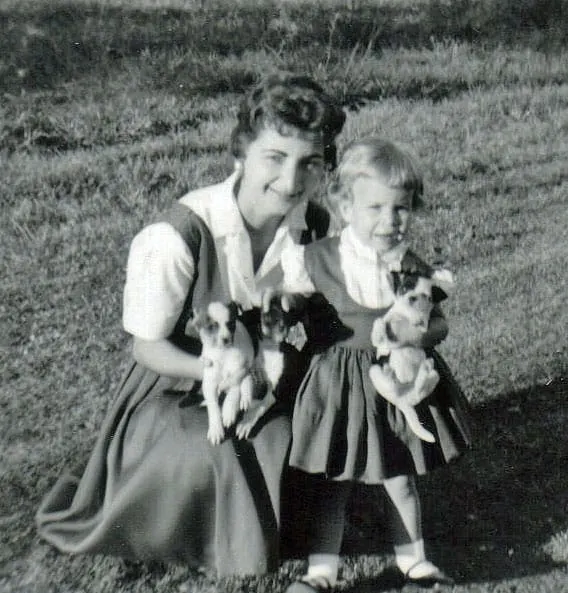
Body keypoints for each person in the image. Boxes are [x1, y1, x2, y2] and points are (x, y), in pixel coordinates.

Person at [36, 72, 346, 577]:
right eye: (275, 158)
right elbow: (147, 348)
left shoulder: (312, 225)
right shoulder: (177, 235)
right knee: (217, 447)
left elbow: (313, 311)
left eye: (310, 162)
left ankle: (276, 523)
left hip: (261, 372)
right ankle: (208, 539)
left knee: (308, 423)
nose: (291, 181)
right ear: (240, 154)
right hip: (178, 379)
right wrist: (221, 370)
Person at [280, 138, 473, 592]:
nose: (390, 221)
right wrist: (279, 310)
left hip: (396, 381)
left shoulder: (410, 266)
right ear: (345, 206)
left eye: (401, 209)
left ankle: (414, 563)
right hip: (340, 384)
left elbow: (438, 324)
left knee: (400, 477)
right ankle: (321, 573)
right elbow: (284, 304)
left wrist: (418, 334)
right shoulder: (319, 258)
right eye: (375, 208)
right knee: (336, 482)